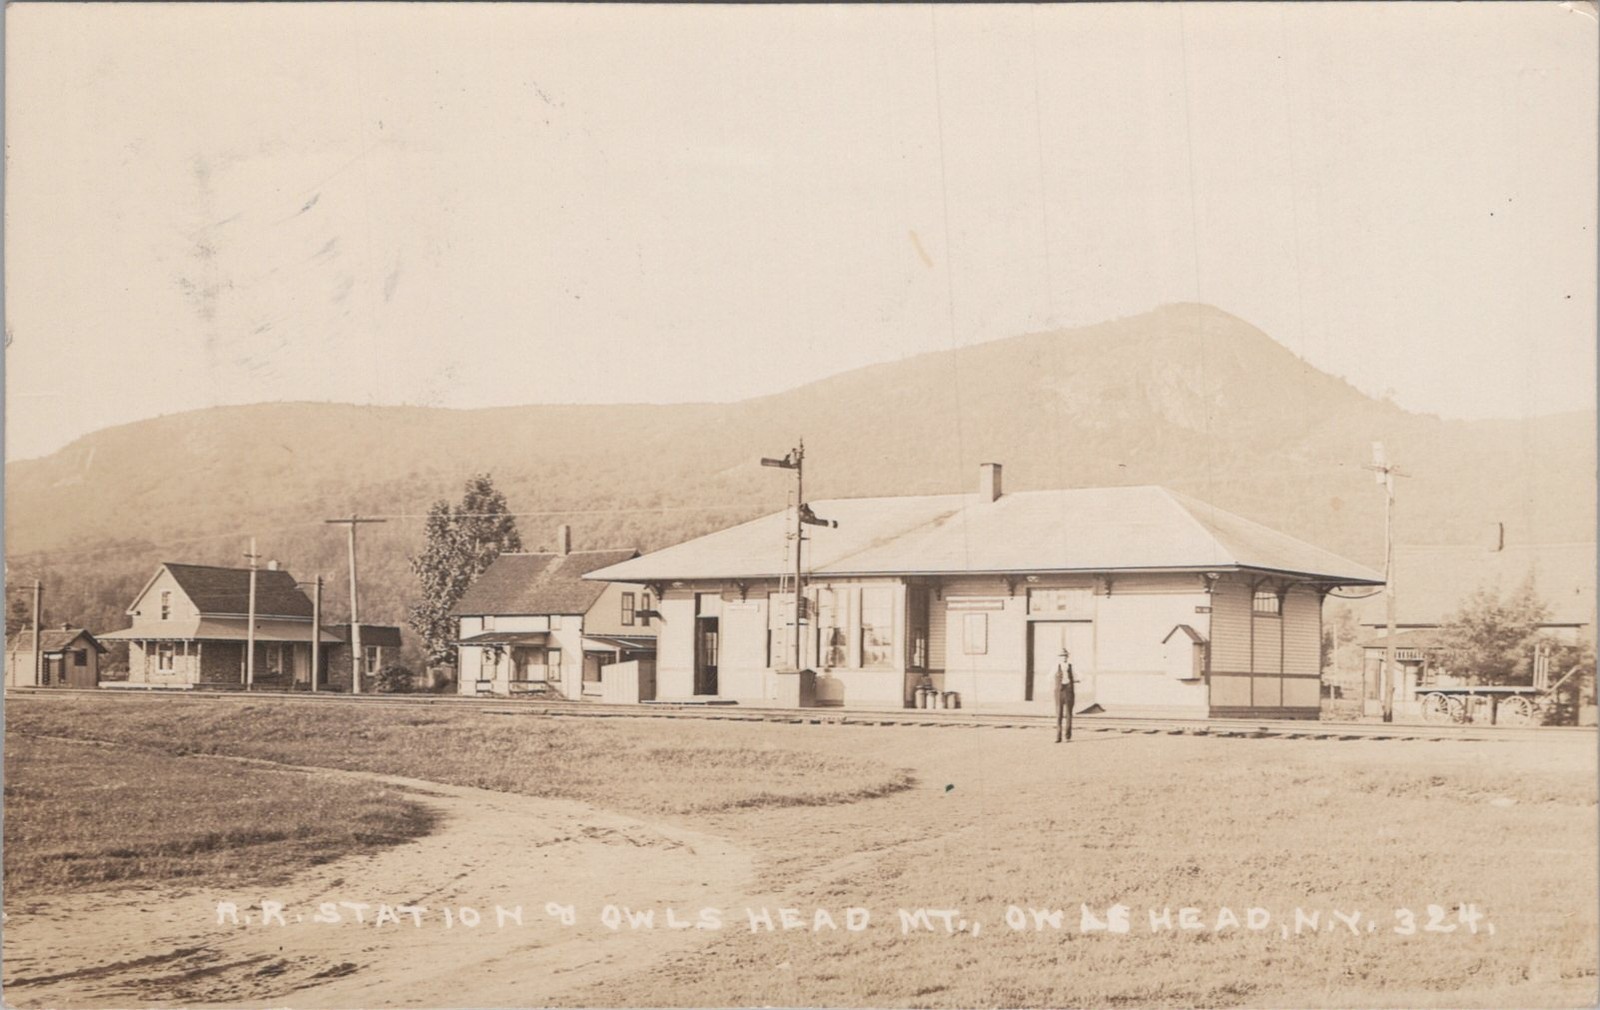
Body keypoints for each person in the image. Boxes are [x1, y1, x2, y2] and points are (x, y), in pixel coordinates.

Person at [1055, 648, 1076, 743]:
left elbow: (1081, 676)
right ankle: (1058, 737)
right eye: (1062, 656)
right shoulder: (1056, 667)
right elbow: (1048, 677)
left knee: (1068, 714)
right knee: (1059, 714)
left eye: (1065, 656)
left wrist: (1075, 680)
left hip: (1069, 691)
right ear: (1059, 657)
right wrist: (1057, 681)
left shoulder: (1071, 666)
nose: (1064, 658)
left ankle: (1068, 736)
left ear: (1067, 657)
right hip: (1060, 691)